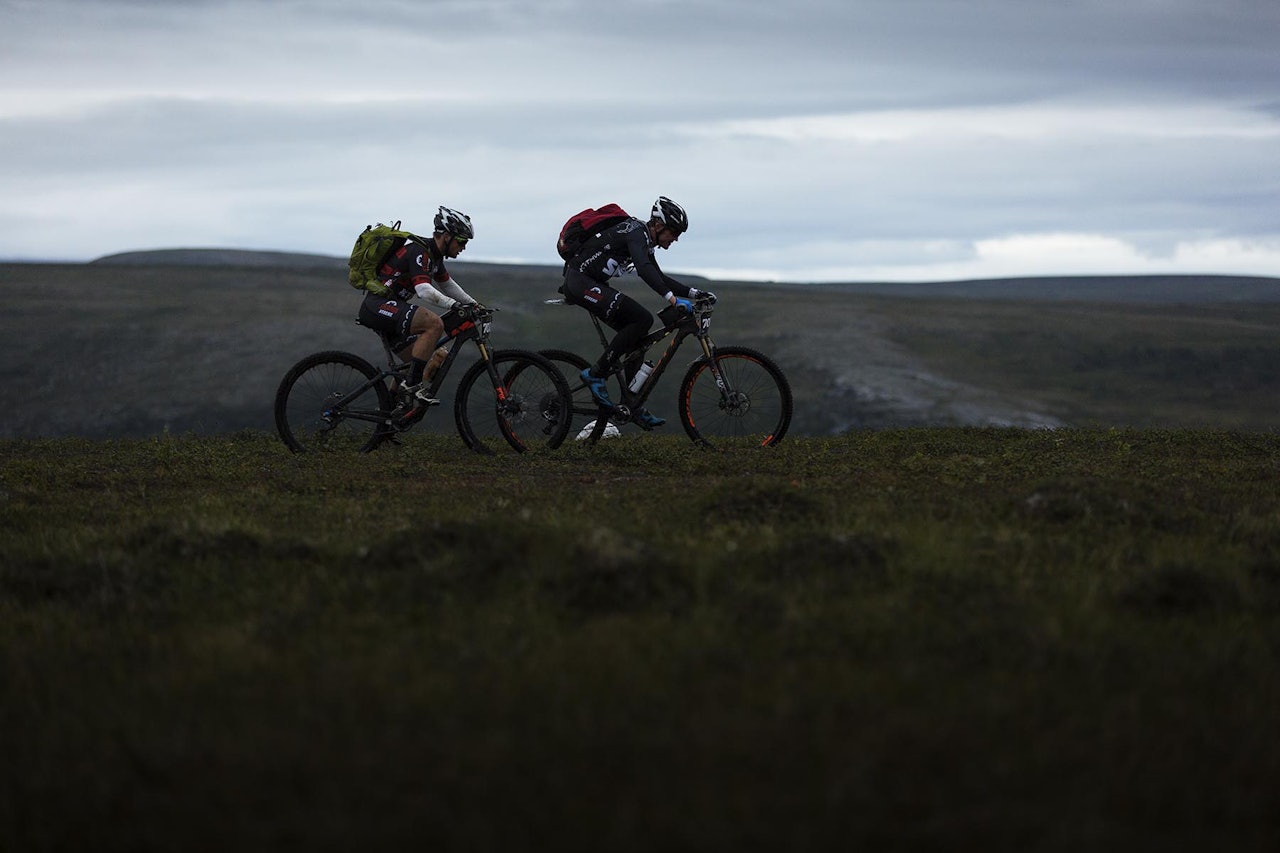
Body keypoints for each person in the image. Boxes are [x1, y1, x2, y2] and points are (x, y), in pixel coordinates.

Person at [560, 196, 715, 428]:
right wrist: (673, 300)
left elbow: (658, 276)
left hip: (589, 282)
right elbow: (643, 270)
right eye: (675, 232)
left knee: (637, 337)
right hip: (580, 282)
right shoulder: (636, 232)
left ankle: (630, 404)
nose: (676, 239)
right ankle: (596, 373)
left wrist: (694, 293)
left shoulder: (643, 238)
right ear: (660, 226)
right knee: (642, 319)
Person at [356, 206, 480, 405]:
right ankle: (411, 387)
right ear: (446, 236)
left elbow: (447, 284)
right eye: (462, 241)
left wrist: (474, 304)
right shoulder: (419, 251)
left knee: (423, 361)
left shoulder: (435, 257)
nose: (463, 247)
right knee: (435, 324)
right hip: (377, 306)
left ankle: (389, 414)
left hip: (390, 309)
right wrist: (455, 305)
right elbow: (423, 290)